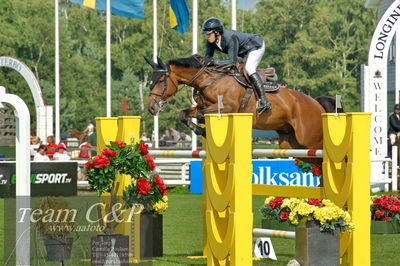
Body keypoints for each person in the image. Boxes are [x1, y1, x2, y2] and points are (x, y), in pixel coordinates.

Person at [201, 17, 272, 113]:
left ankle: (264, 101)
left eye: (209, 34)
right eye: (206, 35)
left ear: (217, 32)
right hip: (244, 52)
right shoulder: (211, 42)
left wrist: (214, 62)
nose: (207, 37)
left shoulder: (230, 37)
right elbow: (207, 59)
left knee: (249, 68)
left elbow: (232, 62)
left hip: (255, 46)